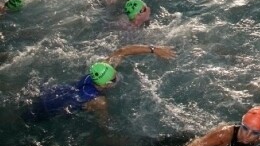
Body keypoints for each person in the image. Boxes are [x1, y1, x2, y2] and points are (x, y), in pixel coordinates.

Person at [22, 44, 175, 122]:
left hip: (51, 92)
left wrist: (154, 50)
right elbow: (104, 123)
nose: (117, 76)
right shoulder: (99, 101)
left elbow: (122, 51)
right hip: (50, 111)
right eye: (114, 78)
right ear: (106, 85)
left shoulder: (97, 72)